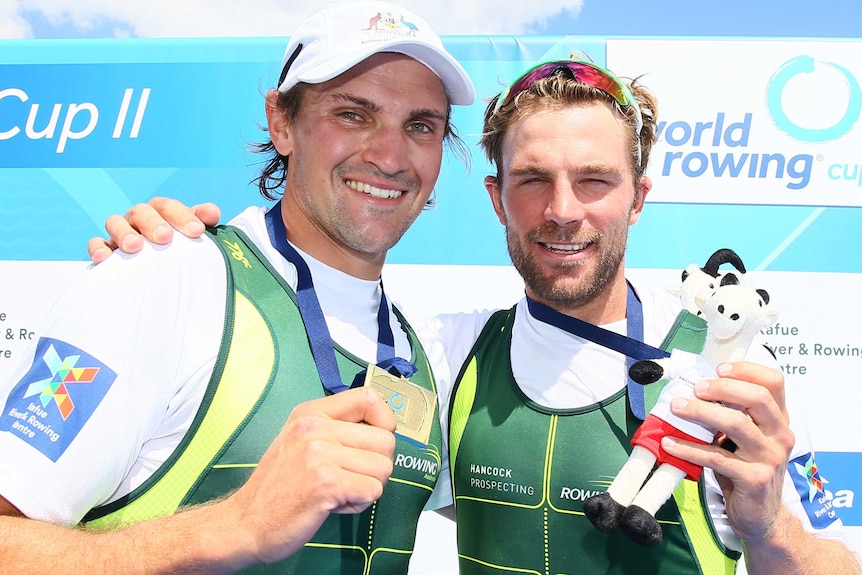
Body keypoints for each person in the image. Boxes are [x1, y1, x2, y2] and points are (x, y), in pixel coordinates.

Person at [90, 61, 862, 573]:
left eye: (594, 180)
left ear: (639, 196)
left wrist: (770, 531)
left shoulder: (731, 367)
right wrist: (176, 254)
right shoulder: (438, 355)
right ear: (496, 199)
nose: (562, 212)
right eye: (532, 180)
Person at [0, 1, 475, 573]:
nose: (391, 155)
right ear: (281, 123)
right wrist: (237, 524)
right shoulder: (160, 279)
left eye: (421, 126)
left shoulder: (423, 352)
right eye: (352, 114)